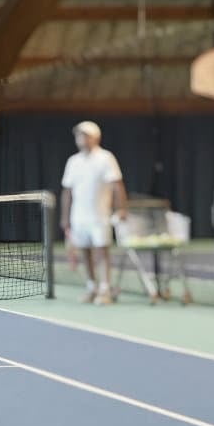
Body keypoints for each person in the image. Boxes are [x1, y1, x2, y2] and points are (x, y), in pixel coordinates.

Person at [60, 121, 127, 304]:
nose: (81, 138)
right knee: (84, 252)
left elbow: (117, 186)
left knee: (101, 252)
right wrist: (65, 218)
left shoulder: (106, 158)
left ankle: (105, 290)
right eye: (78, 135)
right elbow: (67, 191)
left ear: (95, 137)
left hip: (100, 216)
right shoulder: (73, 161)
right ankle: (92, 287)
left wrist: (121, 209)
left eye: (85, 135)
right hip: (78, 218)